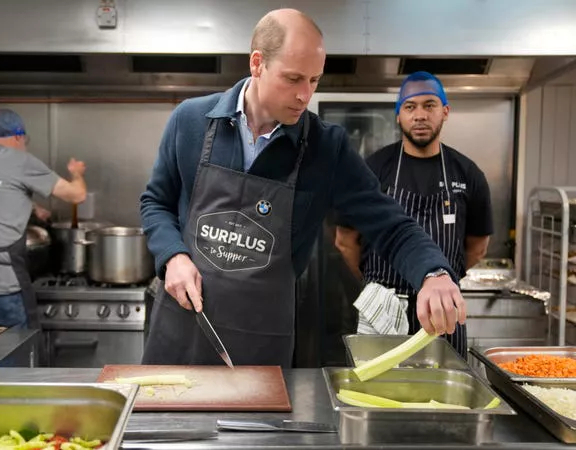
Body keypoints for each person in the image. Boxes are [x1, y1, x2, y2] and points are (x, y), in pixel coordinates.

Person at [140, 9, 467, 367]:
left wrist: (433, 274)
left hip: (260, 343)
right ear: (257, 64)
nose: (304, 96)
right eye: (293, 79)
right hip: (183, 326)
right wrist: (172, 255)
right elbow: (156, 202)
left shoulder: (326, 148)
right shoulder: (190, 120)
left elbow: (392, 227)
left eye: (314, 80)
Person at [335, 71, 493, 358]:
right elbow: (346, 241)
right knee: (377, 395)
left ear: (445, 111)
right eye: (410, 107)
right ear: (398, 116)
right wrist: (376, 281)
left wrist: (445, 279)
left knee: (444, 396)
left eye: (429, 105)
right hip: (381, 307)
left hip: (442, 312)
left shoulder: (468, 174)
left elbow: (477, 247)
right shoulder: (373, 168)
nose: (420, 115)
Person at [0, 109, 87, 329]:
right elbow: (77, 195)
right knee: (15, 357)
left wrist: (33, 206)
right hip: (2, 285)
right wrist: (77, 173)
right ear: (18, 135)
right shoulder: (20, 160)